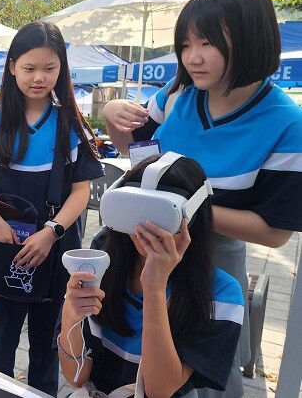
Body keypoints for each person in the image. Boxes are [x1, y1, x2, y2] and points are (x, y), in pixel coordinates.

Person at [101, 0, 302, 397]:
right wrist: (111, 119)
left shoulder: (286, 123)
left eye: (207, 42)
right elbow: (141, 162)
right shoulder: (177, 96)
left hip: (212, 269)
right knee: (133, 361)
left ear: (250, 39)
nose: (192, 57)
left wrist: (182, 208)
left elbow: (275, 231)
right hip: (142, 254)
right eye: (185, 43)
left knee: (205, 379)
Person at [0, 21, 103, 396]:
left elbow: (81, 190)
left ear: (62, 70)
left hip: (56, 250)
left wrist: (51, 232)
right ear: (11, 66)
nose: (39, 78)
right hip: (5, 248)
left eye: (49, 69)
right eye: (29, 68)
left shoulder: (70, 126)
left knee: (48, 344)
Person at [60, 154, 244, 398]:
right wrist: (70, 315)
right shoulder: (103, 269)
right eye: (136, 211)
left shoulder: (220, 293)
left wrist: (155, 287)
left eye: (164, 216)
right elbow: (75, 377)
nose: (148, 229)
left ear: (192, 217)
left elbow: (159, 391)